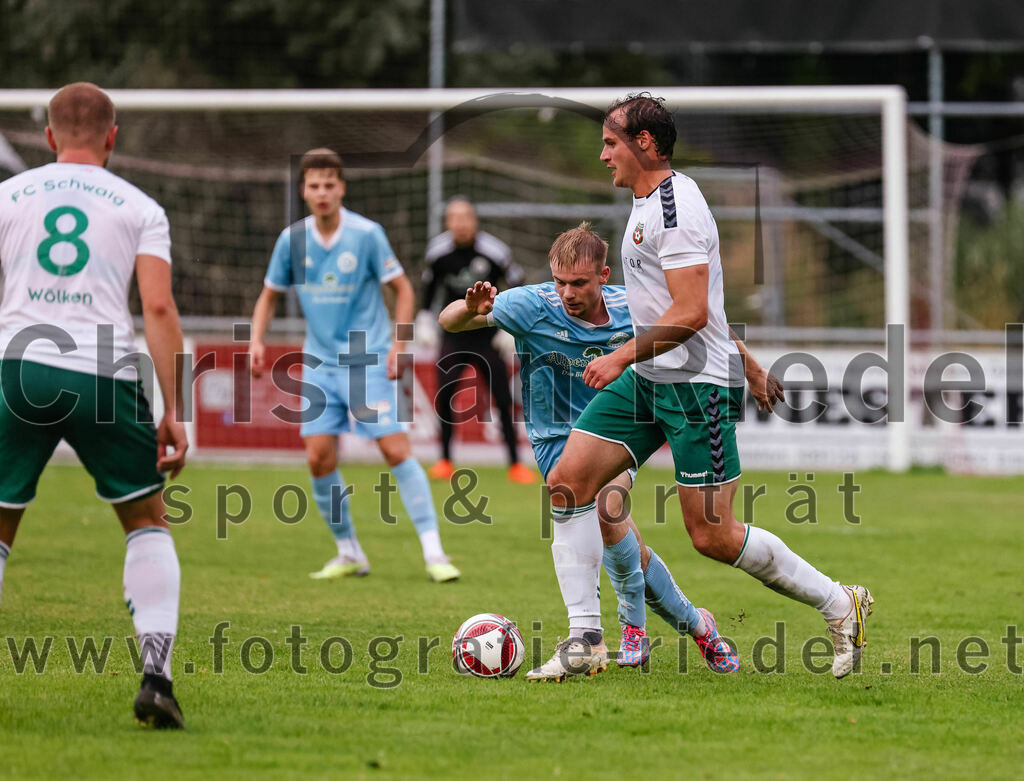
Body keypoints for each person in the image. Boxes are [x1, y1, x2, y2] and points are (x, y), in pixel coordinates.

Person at [546, 93, 873, 680]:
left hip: (695, 387)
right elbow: (687, 308)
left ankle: (839, 602)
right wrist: (744, 358)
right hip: (652, 378)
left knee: (713, 536)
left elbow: (693, 310)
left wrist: (621, 356)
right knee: (568, 484)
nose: (602, 156)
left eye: (611, 143)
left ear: (645, 143)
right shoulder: (649, 203)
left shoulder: (675, 209)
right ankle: (584, 638)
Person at [440, 223, 780, 680]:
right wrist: (470, 309)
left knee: (607, 507)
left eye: (579, 283)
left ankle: (606, 633)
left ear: (603, 275)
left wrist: (753, 369)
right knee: (630, 549)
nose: (567, 293)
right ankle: (701, 627)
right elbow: (448, 321)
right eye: (560, 282)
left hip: (615, 434)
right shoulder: (529, 305)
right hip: (554, 442)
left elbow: (703, 328)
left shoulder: (630, 305)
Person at [0, 83, 188, 727]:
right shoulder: (140, 206)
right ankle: (157, 680)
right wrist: (174, 407)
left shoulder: (6, 196)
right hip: (104, 375)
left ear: (49, 137)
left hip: (16, 367)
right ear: (113, 136)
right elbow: (158, 308)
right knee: (146, 522)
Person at [250, 149, 459, 584]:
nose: (322, 192)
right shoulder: (293, 240)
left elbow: (402, 290)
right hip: (319, 366)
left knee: (395, 450)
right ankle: (349, 552)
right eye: (314, 185)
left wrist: (398, 343)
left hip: (367, 359)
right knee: (318, 458)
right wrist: (255, 340)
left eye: (330, 184)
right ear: (304, 190)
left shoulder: (367, 234)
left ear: (342, 187)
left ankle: (434, 553)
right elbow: (270, 294)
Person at [420, 197, 535, 484]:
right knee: (444, 394)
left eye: (465, 217)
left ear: (475, 220)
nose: (460, 223)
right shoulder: (438, 253)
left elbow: (518, 285)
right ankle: (445, 460)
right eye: (454, 218)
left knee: (502, 398)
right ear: (447, 222)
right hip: (453, 335)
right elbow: (428, 289)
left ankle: (515, 464)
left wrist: (512, 327)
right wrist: (423, 318)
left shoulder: (495, 251)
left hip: (488, 334)